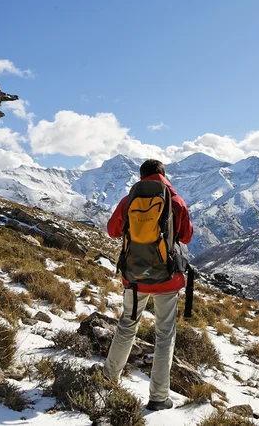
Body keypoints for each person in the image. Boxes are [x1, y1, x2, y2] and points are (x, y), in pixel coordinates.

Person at [103, 159, 193, 411]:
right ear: (163, 175)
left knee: (126, 326)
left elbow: (112, 230)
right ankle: (158, 397)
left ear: (141, 176)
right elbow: (186, 236)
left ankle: (109, 380)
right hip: (167, 279)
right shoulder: (175, 201)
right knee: (164, 336)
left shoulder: (129, 199)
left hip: (134, 277)